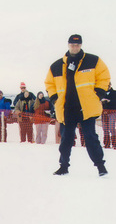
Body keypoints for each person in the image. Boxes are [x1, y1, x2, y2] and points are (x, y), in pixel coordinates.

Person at [45, 34, 110, 176]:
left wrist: (98, 94)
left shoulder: (93, 60)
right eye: (72, 45)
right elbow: (49, 83)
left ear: (81, 45)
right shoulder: (56, 65)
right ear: (68, 45)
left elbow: (104, 77)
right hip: (67, 109)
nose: (75, 47)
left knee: (90, 138)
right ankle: (63, 167)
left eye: (77, 45)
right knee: (66, 140)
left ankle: (100, 167)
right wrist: (55, 98)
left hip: (86, 108)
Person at [101, 82, 116, 148]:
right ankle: (106, 144)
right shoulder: (102, 93)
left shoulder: (114, 93)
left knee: (111, 127)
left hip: (113, 111)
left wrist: (109, 101)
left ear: (110, 85)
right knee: (105, 128)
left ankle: (114, 143)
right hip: (104, 112)